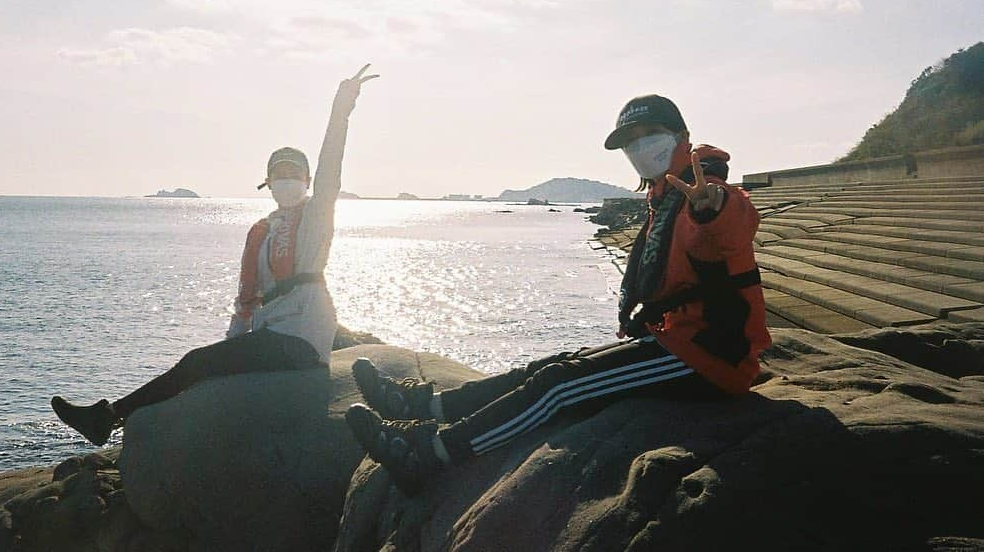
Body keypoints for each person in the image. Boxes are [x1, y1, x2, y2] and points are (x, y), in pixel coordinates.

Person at [345, 94, 771, 494]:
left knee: (557, 387)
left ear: (681, 137)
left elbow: (728, 222)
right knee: (550, 365)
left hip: (707, 361)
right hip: (671, 341)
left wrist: (707, 207)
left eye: (649, 135)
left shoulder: (708, 192)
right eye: (632, 143)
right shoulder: (661, 198)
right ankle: (423, 404)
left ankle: (431, 454)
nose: (641, 148)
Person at [51, 65, 379, 446]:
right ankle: (122, 422)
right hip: (271, 333)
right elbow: (247, 300)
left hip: (302, 337)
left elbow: (331, 170)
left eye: (294, 173)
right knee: (207, 364)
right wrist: (231, 342)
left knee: (197, 363)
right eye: (279, 174)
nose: (286, 179)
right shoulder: (263, 232)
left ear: (306, 182)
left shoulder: (315, 219)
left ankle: (108, 418)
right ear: (268, 183)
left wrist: (341, 110)